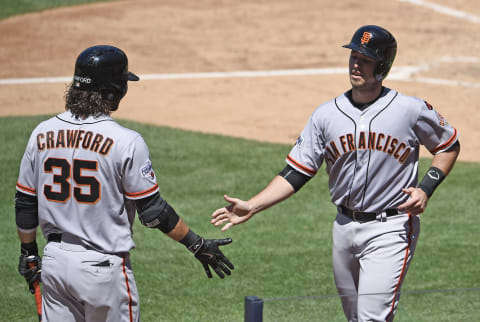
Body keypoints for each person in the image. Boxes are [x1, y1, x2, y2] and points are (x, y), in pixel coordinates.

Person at [211, 25, 460, 321]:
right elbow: (296, 171)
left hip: (390, 228)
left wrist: (426, 188)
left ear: (382, 66)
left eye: (365, 59)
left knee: (371, 318)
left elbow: (448, 144)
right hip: (343, 227)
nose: (355, 64)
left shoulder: (410, 110)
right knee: (354, 317)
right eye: (354, 56)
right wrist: (253, 205)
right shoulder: (326, 115)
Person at [15, 45, 234, 322]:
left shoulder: (41, 133)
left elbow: (24, 202)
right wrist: (196, 244)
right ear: (114, 91)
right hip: (103, 271)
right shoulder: (125, 141)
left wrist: (29, 253)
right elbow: (153, 212)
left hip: (55, 264)